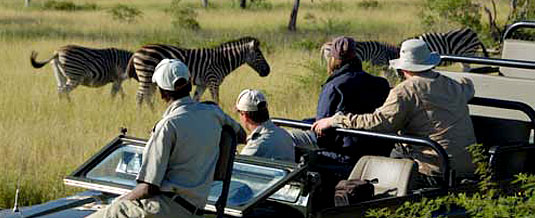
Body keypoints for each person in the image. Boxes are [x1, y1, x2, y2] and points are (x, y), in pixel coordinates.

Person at [88, 59, 245, 218]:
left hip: (164, 208)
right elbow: (240, 135)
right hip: (195, 209)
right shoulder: (213, 113)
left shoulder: (167, 126)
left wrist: (118, 202)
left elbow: (148, 188)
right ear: (190, 83)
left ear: (162, 92)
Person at [312, 39, 477, 186]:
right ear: (430, 63)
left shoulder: (405, 91)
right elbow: (468, 86)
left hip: (432, 168)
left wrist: (337, 120)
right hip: (467, 165)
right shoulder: (453, 85)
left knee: (371, 174)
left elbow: (380, 122)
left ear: (404, 68)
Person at [290, 36, 391, 165]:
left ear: (332, 59)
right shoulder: (381, 83)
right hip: (378, 150)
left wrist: (307, 124)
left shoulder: (334, 86)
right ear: (356, 56)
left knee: (289, 139)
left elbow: (323, 133)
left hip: (343, 153)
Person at [236, 89, 295, 162]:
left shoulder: (256, 145)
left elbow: (237, 167)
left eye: (238, 112)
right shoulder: (284, 134)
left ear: (244, 115)